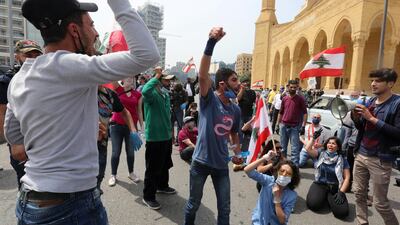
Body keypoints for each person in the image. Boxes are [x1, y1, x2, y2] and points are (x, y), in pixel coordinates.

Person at [4, 0, 160, 223]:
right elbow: (146, 55)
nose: (96, 33)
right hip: (69, 206)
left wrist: (66, 133)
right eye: (91, 25)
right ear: (74, 30)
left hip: (30, 202)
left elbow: (14, 138)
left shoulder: (18, 79)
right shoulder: (72, 65)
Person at [184, 27, 243, 225]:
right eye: (234, 80)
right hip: (200, 163)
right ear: (222, 85)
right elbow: (202, 76)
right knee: (193, 204)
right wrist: (211, 43)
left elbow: (234, 133)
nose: (239, 84)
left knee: (225, 209)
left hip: (221, 167)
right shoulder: (209, 100)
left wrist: (236, 151)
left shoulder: (235, 110)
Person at [351, 68, 400, 225]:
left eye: (378, 81)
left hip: (380, 159)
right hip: (361, 154)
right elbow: (363, 128)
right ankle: (362, 222)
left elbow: (398, 133)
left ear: (390, 83)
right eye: (372, 80)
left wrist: (371, 119)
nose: (373, 84)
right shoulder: (370, 102)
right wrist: (356, 119)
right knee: (358, 193)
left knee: (380, 203)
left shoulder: (397, 104)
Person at [0, 40, 42, 186]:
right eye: (28, 55)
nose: (33, 59)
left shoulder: (45, 78)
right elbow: (2, 113)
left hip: (42, 142)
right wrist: (13, 144)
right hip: (20, 142)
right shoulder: (8, 81)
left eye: (37, 55)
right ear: (17, 56)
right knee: (27, 186)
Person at [141, 71, 176, 210]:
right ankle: (148, 196)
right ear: (159, 81)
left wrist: (171, 134)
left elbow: (167, 116)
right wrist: (156, 76)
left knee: (165, 164)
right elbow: (145, 90)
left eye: (169, 81)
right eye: (166, 80)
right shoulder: (151, 94)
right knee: (153, 168)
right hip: (154, 137)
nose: (169, 83)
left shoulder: (165, 94)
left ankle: (162, 186)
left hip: (166, 136)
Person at [97, 84, 137, 193]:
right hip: (82, 146)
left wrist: (133, 130)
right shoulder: (85, 89)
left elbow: (125, 112)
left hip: (101, 144)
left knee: (99, 175)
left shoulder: (110, 94)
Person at [244, 154, 299, 225]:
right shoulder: (268, 181)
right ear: (277, 171)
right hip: (258, 222)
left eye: (288, 173)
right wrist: (264, 158)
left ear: (292, 178)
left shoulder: (292, 195)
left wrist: (277, 199)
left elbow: (282, 220)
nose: (284, 174)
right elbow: (247, 170)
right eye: (282, 171)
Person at [108, 76, 144, 186]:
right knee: (116, 152)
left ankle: (131, 173)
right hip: (116, 125)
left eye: (133, 79)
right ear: (122, 79)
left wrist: (142, 128)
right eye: (128, 78)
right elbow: (112, 76)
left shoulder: (138, 94)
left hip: (131, 128)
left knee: (130, 152)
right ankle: (113, 175)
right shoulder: (117, 89)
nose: (131, 80)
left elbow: (139, 112)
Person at [305, 136, 351, 219]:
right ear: (326, 145)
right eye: (329, 143)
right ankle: (323, 197)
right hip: (320, 184)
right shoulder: (321, 153)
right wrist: (313, 138)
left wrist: (341, 192)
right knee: (313, 205)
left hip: (335, 187)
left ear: (338, 147)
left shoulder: (342, 159)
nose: (330, 145)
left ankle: (327, 197)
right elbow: (308, 149)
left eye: (333, 144)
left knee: (342, 213)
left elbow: (347, 178)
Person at [277, 79, 308, 166]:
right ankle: (283, 167)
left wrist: (303, 126)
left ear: (297, 87)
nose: (293, 89)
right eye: (291, 87)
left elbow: (305, 113)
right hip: (283, 126)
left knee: (295, 150)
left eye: (295, 87)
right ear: (288, 87)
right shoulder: (285, 99)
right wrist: (277, 124)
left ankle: (295, 170)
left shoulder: (300, 99)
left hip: (295, 127)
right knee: (283, 149)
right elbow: (281, 112)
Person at [341, 90, 360, 191]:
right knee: (349, 166)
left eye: (355, 95)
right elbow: (347, 133)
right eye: (352, 95)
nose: (353, 97)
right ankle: (347, 185)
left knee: (360, 170)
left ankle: (361, 190)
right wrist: (343, 147)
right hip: (351, 145)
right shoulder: (349, 113)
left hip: (361, 146)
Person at [237, 76, 256, 151]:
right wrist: (242, 89)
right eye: (244, 82)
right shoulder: (240, 90)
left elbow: (255, 103)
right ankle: (240, 146)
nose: (246, 84)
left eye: (247, 82)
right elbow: (238, 98)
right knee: (240, 131)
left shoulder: (252, 92)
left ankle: (246, 146)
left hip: (249, 114)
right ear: (241, 84)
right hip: (241, 114)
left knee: (248, 131)